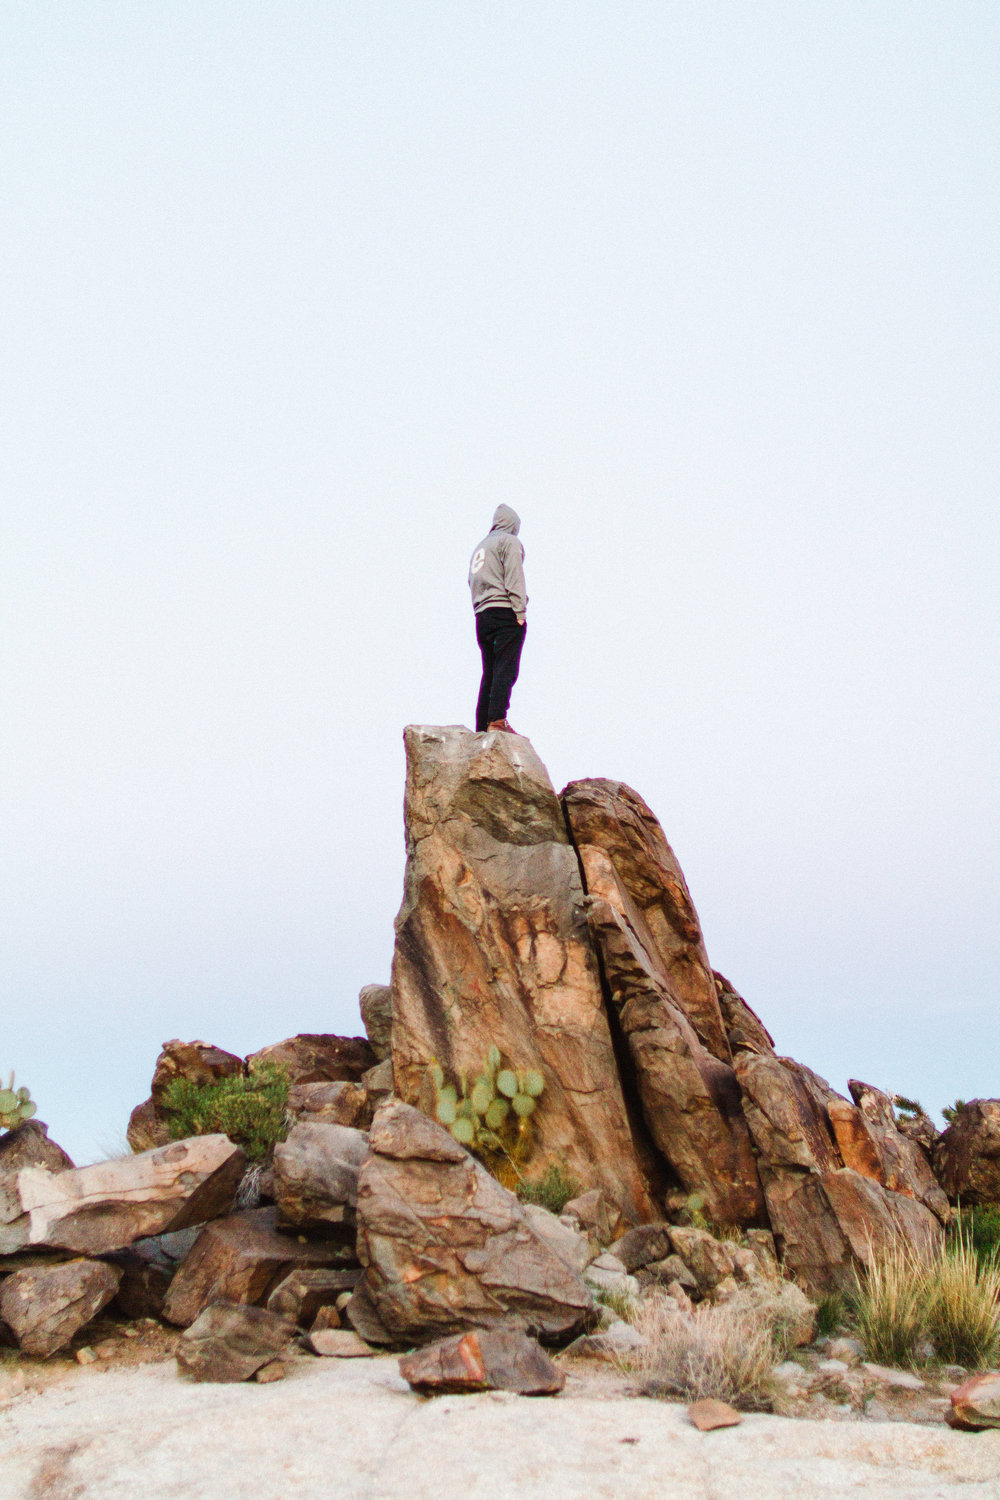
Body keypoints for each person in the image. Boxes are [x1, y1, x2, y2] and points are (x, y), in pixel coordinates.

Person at [468, 504, 528, 733]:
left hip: (482, 615)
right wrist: (519, 612)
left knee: (490, 671)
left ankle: (482, 727)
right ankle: (497, 721)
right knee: (506, 668)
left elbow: (471, 581)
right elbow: (515, 577)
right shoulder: (509, 542)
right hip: (504, 611)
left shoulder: (480, 548)